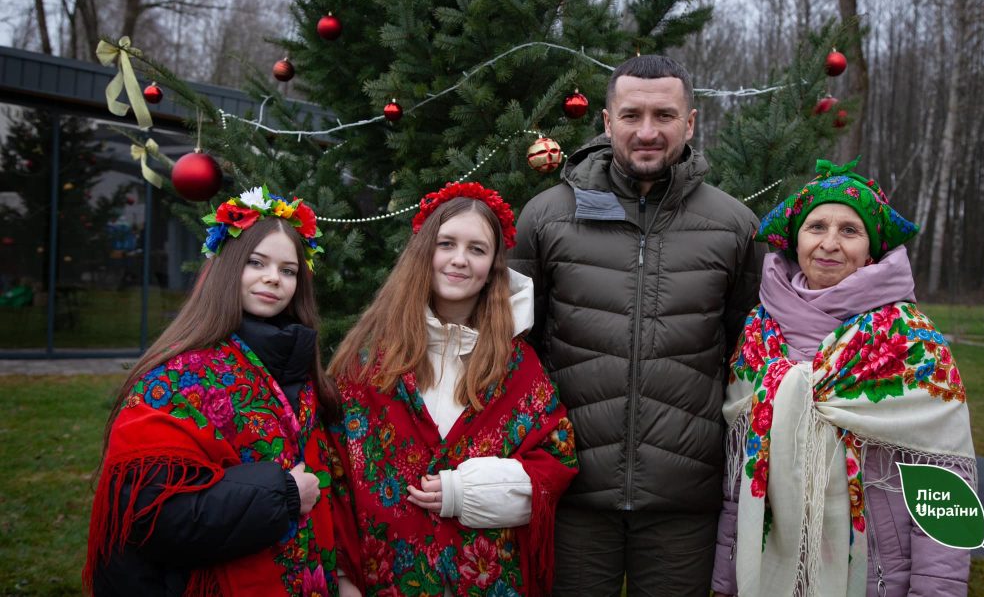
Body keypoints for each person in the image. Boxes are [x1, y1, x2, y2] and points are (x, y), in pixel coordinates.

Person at [509, 54, 765, 595]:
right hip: (571, 493)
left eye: (664, 115)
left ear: (690, 123)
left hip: (683, 504)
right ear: (606, 122)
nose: (647, 132)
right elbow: (513, 350)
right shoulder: (548, 216)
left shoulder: (734, 226)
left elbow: (749, 358)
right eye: (631, 116)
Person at [710, 158, 976, 597]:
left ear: (871, 249)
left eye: (849, 231)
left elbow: (945, 485)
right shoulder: (761, 331)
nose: (829, 243)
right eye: (816, 227)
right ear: (795, 240)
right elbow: (739, 479)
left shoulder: (910, 340)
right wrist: (727, 581)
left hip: (876, 575)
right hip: (769, 569)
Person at [83, 186, 346, 597]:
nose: (273, 278)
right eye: (256, 263)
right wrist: (284, 495)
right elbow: (153, 517)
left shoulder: (302, 373)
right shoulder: (174, 382)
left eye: (288, 270)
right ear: (228, 268)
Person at [327, 181, 578, 596]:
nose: (459, 260)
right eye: (447, 244)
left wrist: (467, 492)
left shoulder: (516, 367)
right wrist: (343, 579)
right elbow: (337, 473)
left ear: (493, 267)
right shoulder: (369, 363)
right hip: (385, 581)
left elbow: (556, 465)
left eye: (476, 249)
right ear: (425, 252)